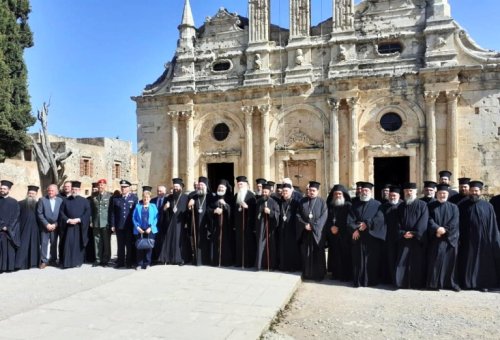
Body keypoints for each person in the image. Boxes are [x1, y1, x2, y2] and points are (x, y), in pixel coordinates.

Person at [457, 181, 500, 292]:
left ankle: (483, 283)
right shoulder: (462, 205)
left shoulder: (488, 206)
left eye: (476, 191)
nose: (474, 193)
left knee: (483, 263)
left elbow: (492, 224)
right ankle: (467, 283)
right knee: (467, 261)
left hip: (484, 241)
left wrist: (493, 239)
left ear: (480, 192)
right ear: (469, 191)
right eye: (472, 191)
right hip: (467, 240)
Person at [348, 182, 385, 287]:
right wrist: (354, 230)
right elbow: (350, 219)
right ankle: (358, 281)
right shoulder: (354, 205)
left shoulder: (378, 205)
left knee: (371, 260)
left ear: (371, 192)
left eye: (367, 190)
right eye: (363, 190)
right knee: (357, 260)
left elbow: (379, 219)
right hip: (358, 237)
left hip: (371, 237)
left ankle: (371, 281)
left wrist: (367, 224)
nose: (364, 192)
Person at [394, 183, 429, 289]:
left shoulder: (423, 205)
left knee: (417, 262)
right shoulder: (400, 206)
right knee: (402, 261)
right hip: (404, 238)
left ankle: (415, 283)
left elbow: (423, 221)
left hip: (417, 240)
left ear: (415, 192)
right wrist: (403, 233)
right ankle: (401, 283)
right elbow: (397, 222)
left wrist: (414, 233)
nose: (408, 193)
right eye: (406, 191)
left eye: (411, 191)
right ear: (403, 192)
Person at [426, 184, 460, 291]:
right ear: (436, 194)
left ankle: (450, 284)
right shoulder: (430, 206)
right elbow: (429, 219)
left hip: (450, 239)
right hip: (436, 238)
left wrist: (444, 230)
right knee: (435, 262)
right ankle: (434, 284)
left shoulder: (454, 207)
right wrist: (436, 228)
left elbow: (455, 222)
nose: (442, 195)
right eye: (440, 193)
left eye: (444, 193)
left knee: (450, 263)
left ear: (448, 194)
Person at [296, 181, 328, 281]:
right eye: (310, 190)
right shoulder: (302, 201)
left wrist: (313, 226)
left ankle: (319, 275)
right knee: (306, 253)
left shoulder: (322, 202)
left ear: (317, 191)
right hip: (306, 232)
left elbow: (324, 216)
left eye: (313, 190)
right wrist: (304, 224)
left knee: (317, 253)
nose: (311, 192)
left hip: (317, 234)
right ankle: (307, 274)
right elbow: (298, 215)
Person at [58, 181, 91, 269]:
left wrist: (79, 219)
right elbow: (61, 212)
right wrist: (68, 220)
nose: (74, 191)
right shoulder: (65, 201)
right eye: (73, 189)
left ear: (79, 190)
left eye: (76, 189)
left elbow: (87, 213)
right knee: (68, 244)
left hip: (79, 226)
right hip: (68, 226)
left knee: (78, 244)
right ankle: (67, 262)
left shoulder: (85, 201)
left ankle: (77, 261)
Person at [158, 178, 189, 265]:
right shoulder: (169, 198)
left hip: (181, 222)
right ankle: (168, 258)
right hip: (171, 222)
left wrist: (187, 221)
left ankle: (181, 259)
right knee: (170, 240)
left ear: (181, 188)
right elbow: (163, 211)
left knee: (180, 241)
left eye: (177, 186)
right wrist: (165, 208)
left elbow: (188, 211)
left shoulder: (185, 197)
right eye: (174, 186)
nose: (175, 188)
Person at [325, 184, 353, 281]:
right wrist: (331, 227)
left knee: (345, 254)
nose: (337, 196)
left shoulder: (348, 206)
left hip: (345, 234)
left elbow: (350, 220)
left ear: (343, 195)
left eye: (339, 194)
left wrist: (340, 228)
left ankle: (345, 275)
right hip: (333, 234)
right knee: (334, 254)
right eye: (336, 194)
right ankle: (335, 273)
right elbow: (327, 219)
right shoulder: (330, 205)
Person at [110, 180, 138, 268]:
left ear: (129, 188)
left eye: (125, 187)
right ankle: (120, 262)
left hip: (129, 225)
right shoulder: (116, 199)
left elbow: (136, 212)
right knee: (120, 245)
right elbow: (113, 213)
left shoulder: (134, 198)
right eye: (122, 187)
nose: (123, 189)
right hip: (119, 226)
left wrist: (135, 224)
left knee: (129, 245)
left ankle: (129, 263)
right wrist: (113, 225)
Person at [187, 177, 214, 265]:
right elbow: (189, 211)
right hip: (196, 223)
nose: (200, 187)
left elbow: (212, 208)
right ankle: (197, 260)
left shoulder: (210, 196)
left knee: (206, 241)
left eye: (202, 185)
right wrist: (190, 206)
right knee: (196, 241)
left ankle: (207, 260)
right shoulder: (194, 197)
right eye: (199, 185)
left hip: (206, 223)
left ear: (206, 186)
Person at [380, 186, 402, 285]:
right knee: (388, 258)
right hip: (387, 236)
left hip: (400, 236)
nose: (392, 197)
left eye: (394, 195)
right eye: (391, 195)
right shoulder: (383, 206)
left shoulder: (403, 205)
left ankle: (398, 279)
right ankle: (388, 279)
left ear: (398, 196)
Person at [36, 184, 63, 268]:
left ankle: (53, 260)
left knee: (54, 243)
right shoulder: (42, 200)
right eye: (49, 190)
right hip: (45, 226)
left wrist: (55, 224)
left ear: (56, 192)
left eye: (52, 190)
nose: (50, 192)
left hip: (55, 226)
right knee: (44, 243)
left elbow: (61, 214)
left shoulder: (60, 200)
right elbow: (39, 213)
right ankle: (43, 261)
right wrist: (46, 224)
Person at [209, 180, 234, 267]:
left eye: (222, 188)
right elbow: (208, 210)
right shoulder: (213, 198)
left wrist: (226, 205)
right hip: (215, 224)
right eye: (219, 188)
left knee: (226, 242)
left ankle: (226, 261)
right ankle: (215, 261)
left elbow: (232, 211)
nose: (220, 189)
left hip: (226, 225)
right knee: (215, 242)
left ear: (226, 189)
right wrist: (214, 211)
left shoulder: (230, 198)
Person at [15, 185, 40, 270]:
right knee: (23, 245)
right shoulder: (20, 203)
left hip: (35, 228)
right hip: (23, 227)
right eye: (29, 193)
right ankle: (20, 264)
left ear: (36, 194)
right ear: (27, 193)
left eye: (33, 193)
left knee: (34, 245)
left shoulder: (38, 204)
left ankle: (33, 263)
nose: (31, 195)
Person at [255, 183, 280, 271]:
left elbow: (277, 214)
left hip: (270, 228)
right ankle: (260, 265)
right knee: (261, 246)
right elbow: (256, 214)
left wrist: (270, 212)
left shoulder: (274, 202)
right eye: (263, 192)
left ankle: (271, 265)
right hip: (261, 228)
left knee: (270, 246)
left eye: (266, 192)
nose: (264, 193)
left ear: (270, 192)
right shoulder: (259, 201)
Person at [234, 176, 257, 268]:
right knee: (239, 242)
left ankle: (248, 262)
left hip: (248, 223)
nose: (240, 186)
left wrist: (247, 207)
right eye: (238, 184)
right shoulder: (236, 195)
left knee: (248, 243)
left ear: (246, 185)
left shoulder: (251, 195)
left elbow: (255, 209)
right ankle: (239, 262)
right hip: (239, 223)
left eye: (241, 184)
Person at [132, 187, 158, 270]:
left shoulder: (153, 206)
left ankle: (147, 263)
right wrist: (137, 227)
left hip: (150, 230)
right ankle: (139, 263)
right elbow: (134, 218)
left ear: (150, 198)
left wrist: (151, 227)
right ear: (142, 198)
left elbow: (156, 218)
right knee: (139, 247)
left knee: (149, 247)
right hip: (140, 230)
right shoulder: (138, 206)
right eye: (144, 197)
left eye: (147, 197)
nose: (146, 199)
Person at [278, 183, 301, 272]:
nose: (284, 193)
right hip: (282, 229)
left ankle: (292, 266)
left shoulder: (296, 203)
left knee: (292, 248)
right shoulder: (279, 202)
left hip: (292, 229)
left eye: (286, 191)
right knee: (283, 248)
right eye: (283, 191)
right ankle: (283, 266)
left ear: (291, 191)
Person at [89, 179, 112, 267]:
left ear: (105, 186)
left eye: (102, 185)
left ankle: (105, 260)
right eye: (99, 186)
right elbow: (92, 210)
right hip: (96, 222)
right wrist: (91, 221)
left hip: (105, 222)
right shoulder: (94, 196)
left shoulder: (109, 196)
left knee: (106, 242)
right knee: (97, 241)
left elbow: (111, 211)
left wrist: (111, 223)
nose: (100, 187)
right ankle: (98, 259)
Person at [0, 180, 20, 272]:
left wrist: (8, 227)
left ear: (9, 190)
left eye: (4, 188)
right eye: (1, 188)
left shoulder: (14, 202)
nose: (2, 190)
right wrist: (2, 225)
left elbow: (16, 216)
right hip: (0, 229)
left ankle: (9, 267)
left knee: (9, 249)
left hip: (10, 231)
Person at [151, 185, 168, 261]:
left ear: (165, 192)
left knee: (163, 242)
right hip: (155, 224)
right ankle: (156, 258)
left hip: (164, 224)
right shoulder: (152, 200)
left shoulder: (168, 200)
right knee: (155, 241)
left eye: (160, 191)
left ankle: (163, 258)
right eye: (158, 191)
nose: (159, 192)